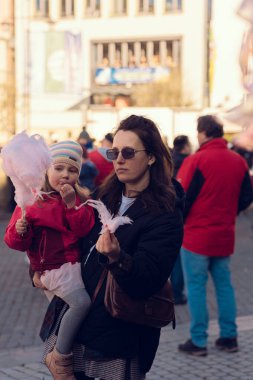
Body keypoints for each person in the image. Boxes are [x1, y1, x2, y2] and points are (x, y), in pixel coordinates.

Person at [38, 114, 184, 380]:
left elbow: (148, 279)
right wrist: (38, 270)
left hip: (119, 336)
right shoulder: (102, 196)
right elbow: (67, 240)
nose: (119, 159)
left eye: (128, 152)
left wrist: (117, 257)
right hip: (78, 328)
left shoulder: (166, 213)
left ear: (150, 156)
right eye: (114, 152)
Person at [4, 140, 95, 379]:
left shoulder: (80, 199)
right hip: (54, 268)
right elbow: (14, 242)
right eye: (59, 168)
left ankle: (67, 355)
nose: (65, 175)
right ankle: (60, 356)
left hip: (73, 266)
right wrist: (20, 230)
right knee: (81, 304)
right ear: (46, 169)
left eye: (72, 170)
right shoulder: (32, 200)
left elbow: (84, 229)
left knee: (67, 313)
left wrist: (71, 205)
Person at [177, 115, 253, 356]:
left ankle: (198, 341)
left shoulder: (196, 160)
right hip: (224, 235)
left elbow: (182, 198)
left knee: (196, 288)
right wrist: (231, 212)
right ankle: (229, 337)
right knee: (224, 286)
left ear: (202, 133)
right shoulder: (238, 161)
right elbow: (247, 195)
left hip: (196, 236)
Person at [171, 135, 191, 305]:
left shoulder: (167, 163)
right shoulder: (189, 162)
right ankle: (177, 293)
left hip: (169, 212)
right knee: (179, 256)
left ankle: (172, 291)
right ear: (185, 146)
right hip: (186, 215)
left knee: (173, 255)